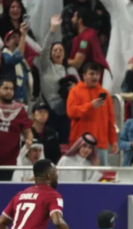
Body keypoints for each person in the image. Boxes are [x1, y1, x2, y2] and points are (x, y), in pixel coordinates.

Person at [38, 16, 79, 149]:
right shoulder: (46, 68)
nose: (57, 52)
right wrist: (52, 30)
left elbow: (80, 91)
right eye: (54, 50)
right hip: (50, 112)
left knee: (65, 144)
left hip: (67, 113)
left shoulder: (71, 71)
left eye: (60, 50)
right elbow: (43, 50)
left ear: (64, 54)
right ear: (51, 54)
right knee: (50, 144)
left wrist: (74, 88)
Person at [66, 62, 118, 166]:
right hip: (80, 144)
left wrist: (113, 141)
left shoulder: (105, 94)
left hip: (100, 144)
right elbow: (71, 112)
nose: (95, 77)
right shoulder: (75, 91)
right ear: (84, 76)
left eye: (97, 74)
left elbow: (110, 120)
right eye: (92, 74)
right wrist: (90, 106)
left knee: (101, 178)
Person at [0, 78, 33, 182]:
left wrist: (29, 139)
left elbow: (27, 131)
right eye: (5, 88)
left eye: (11, 89)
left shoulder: (19, 110)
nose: (9, 91)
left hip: (9, 161)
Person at [68, 6, 109, 76]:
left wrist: (64, 61)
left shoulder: (86, 38)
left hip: (95, 79)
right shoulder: (86, 36)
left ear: (80, 20)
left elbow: (76, 64)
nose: (71, 20)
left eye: (74, 17)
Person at [1, 25, 30, 103]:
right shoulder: (4, 56)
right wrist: (23, 35)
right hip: (10, 99)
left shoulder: (23, 62)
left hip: (23, 98)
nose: (17, 39)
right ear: (6, 42)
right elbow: (17, 57)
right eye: (13, 37)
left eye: (18, 37)